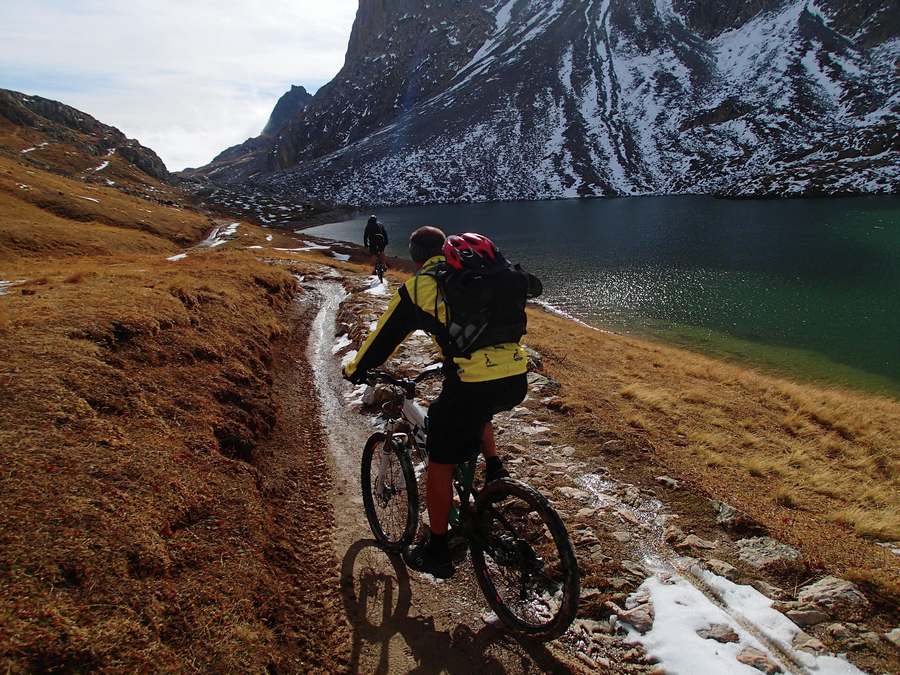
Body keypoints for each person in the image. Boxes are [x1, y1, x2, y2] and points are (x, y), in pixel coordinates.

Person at [343, 227, 541, 578]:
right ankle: (494, 468)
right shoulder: (485, 272)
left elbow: (384, 337)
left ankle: (437, 550)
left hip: (473, 383)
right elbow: (533, 286)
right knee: (476, 406)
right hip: (515, 378)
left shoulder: (422, 286)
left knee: (440, 460)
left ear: (416, 255)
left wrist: (356, 368)